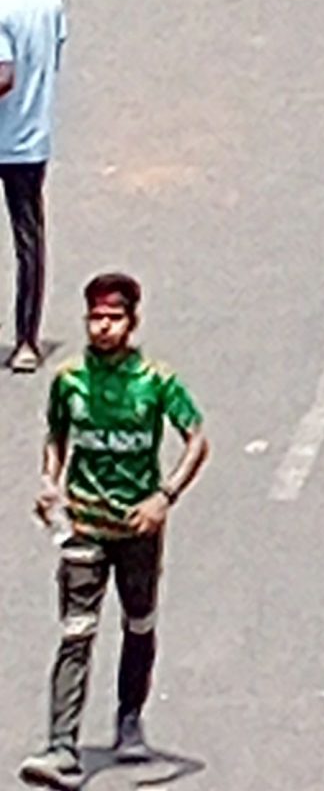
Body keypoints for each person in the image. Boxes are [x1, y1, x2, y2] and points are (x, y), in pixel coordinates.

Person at [23, 271, 209, 784]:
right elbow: (56, 437)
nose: (103, 327)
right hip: (83, 524)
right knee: (76, 632)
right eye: (96, 318)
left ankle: (130, 723)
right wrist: (48, 483)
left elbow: (196, 438)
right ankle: (61, 746)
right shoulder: (68, 380)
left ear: (132, 322)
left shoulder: (156, 381)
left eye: (113, 318)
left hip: (137, 529)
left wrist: (164, 497)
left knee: (139, 623)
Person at [0, 0, 65, 372]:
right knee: (29, 240)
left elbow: (3, 76)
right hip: (32, 135)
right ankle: (28, 339)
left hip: (6, 135)